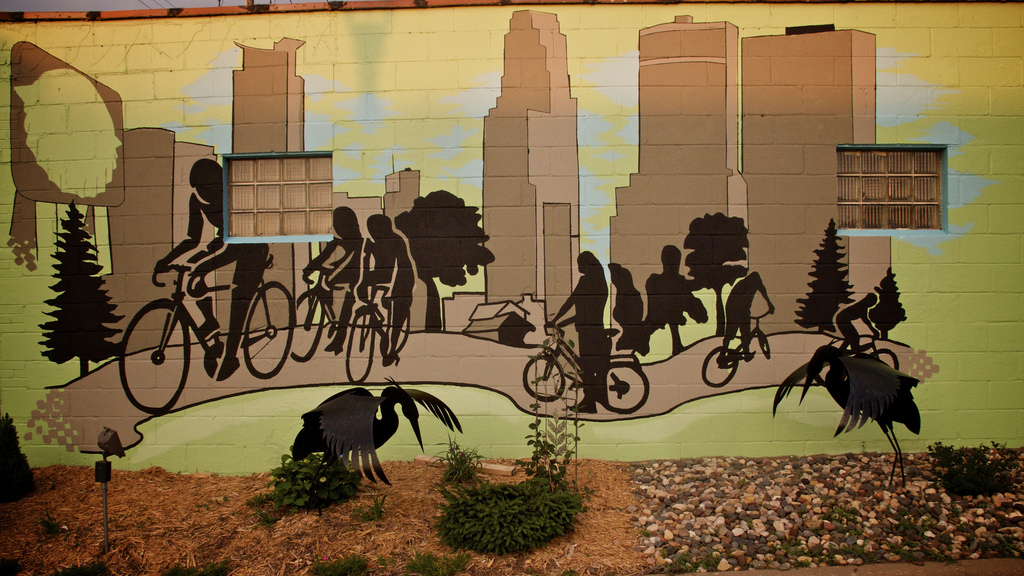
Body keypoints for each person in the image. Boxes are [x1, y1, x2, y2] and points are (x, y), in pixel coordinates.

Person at [153, 158, 269, 382]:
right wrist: (166, 261)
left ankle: (232, 357)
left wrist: (203, 265)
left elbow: (237, 238)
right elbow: (192, 238)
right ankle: (212, 330)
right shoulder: (197, 199)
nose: (204, 193)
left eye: (209, 188)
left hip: (250, 245)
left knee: (239, 298)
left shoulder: (233, 196)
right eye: (200, 189)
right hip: (224, 243)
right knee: (194, 281)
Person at [549, 251, 611, 413]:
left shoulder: (586, 281)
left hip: (587, 332)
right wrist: (563, 320)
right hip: (595, 329)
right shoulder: (600, 282)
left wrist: (557, 320)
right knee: (587, 367)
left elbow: (571, 301)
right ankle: (589, 400)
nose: (578, 268)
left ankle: (589, 403)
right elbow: (584, 311)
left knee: (587, 367)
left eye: (580, 264)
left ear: (587, 264)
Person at [302, 206, 363, 354]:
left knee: (344, 308)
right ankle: (334, 322)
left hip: (348, 282)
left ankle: (339, 341)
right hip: (334, 278)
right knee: (327, 296)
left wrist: (325, 268)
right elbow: (323, 256)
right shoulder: (336, 241)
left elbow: (343, 260)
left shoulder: (354, 241)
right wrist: (309, 269)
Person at [356, 214, 414, 367]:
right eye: (371, 229)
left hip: (402, 280)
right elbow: (366, 268)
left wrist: (389, 294)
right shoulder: (375, 243)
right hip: (384, 275)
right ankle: (375, 317)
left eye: (377, 229)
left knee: (396, 319)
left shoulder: (396, 241)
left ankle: (391, 351)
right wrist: (366, 255)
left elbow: (397, 267)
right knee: (363, 286)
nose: (374, 232)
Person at [645, 245, 708, 356]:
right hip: (658, 319)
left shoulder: (657, 281)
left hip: (658, 320)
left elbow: (693, 300)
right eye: (674, 260)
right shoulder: (662, 282)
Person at [720, 270, 774, 364]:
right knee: (732, 332)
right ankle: (723, 353)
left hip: (742, 310)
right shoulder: (744, 285)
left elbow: (763, 291)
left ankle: (746, 354)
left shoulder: (754, 283)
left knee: (744, 331)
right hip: (734, 309)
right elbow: (741, 301)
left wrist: (769, 304)